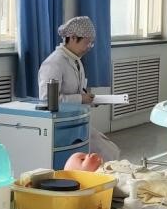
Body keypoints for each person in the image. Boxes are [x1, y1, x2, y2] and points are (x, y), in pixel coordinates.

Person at [38, 16, 120, 162]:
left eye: (91, 43)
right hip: (61, 126)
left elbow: (77, 91)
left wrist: (90, 99)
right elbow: (47, 99)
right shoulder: (54, 63)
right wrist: (81, 98)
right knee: (105, 155)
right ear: (73, 38)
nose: (89, 47)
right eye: (87, 42)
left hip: (77, 122)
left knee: (112, 150)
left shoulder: (76, 60)